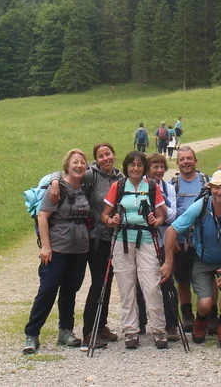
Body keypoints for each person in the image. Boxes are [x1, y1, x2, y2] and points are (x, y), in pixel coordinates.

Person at [161, 170, 221, 350]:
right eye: (217, 187)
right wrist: (168, 262)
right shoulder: (200, 206)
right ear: (210, 188)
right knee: (204, 303)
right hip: (202, 259)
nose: (220, 192)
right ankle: (201, 319)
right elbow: (172, 231)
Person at [46, 143, 122, 349]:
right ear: (96, 160)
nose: (105, 158)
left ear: (113, 155)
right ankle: (90, 331)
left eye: (108, 154)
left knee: (107, 283)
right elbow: (64, 172)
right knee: (98, 283)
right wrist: (54, 180)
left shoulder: (120, 178)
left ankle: (102, 325)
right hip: (95, 238)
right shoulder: (91, 175)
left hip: (114, 238)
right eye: (100, 156)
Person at [23, 149, 91, 354]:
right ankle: (32, 334)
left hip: (80, 249)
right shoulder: (58, 187)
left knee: (70, 290)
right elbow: (42, 217)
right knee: (48, 290)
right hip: (57, 248)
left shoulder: (85, 186)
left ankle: (65, 331)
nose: (79, 166)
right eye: (75, 162)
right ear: (67, 166)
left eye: (82, 162)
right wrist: (45, 247)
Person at [102, 151, 169, 349]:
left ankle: (159, 329)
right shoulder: (119, 186)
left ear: (144, 168)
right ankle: (131, 331)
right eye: (132, 165)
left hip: (147, 240)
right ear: (126, 167)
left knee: (151, 286)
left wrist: (155, 221)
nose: (136, 168)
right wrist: (111, 220)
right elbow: (104, 214)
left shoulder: (152, 187)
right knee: (126, 286)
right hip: (123, 240)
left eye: (139, 165)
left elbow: (161, 216)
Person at [137, 153, 180, 340]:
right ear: (148, 168)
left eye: (162, 167)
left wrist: (158, 200)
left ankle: (171, 324)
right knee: (139, 282)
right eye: (155, 166)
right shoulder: (139, 186)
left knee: (166, 281)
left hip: (162, 241)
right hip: (143, 240)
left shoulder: (168, 187)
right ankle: (140, 323)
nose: (159, 170)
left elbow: (171, 215)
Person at [169, 145, 207, 332]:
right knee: (182, 279)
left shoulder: (205, 180)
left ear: (195, 160)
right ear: (177, 163)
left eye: (189, 158)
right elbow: (170, 214)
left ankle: (208, 314)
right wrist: (173, 238)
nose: (186, 162)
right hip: (182, 239)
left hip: (203, 239)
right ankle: (187, 314)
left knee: (207, 277)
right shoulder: (173, 184)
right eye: (182, 159)